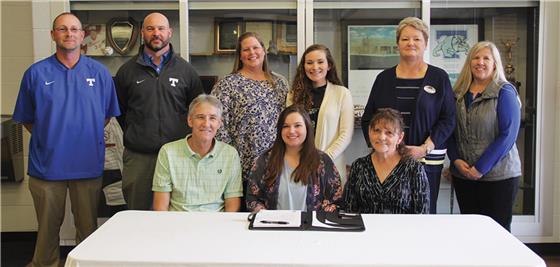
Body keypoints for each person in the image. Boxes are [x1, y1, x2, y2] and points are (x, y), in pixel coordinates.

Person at [12, 12, 120, 267]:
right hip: (47, 166)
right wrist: (51, 138)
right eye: (62, 29)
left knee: (88, 228)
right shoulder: (35, 74)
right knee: (48, 229)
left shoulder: (100, 73)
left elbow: (105, 116)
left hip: (87, 164)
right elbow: (27, 118)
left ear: (82, 35)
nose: (69, 34)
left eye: (74, 29)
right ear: (53, 35)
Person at [361, 17, 456, 214]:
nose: (410, 43)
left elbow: (448, 119)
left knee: (423, 214)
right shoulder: (384, 79)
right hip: (387, 161)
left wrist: (425, 148)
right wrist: (383, 148)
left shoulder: (439, 77)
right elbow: (368, 118)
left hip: (426, 160)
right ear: (397, 44)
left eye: (417, 39)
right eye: (405, 39)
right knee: (387, 213)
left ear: (426, 44)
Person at [114, 12, 204, 210]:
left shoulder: (186, 71)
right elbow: (120, 113)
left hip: (178, 156)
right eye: (150, 28)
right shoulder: (126, 72)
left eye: (161, 28)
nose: (156, 33)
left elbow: (197, 111)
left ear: (169, 33)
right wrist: (140, 133)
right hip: (139, 158)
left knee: (178, 213)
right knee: (138, 215)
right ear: (142, 33)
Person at [447, 41, 522, 231]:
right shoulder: (458, 94)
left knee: (497, 234)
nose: (480, 62)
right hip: (464, 176)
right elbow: (449, 130)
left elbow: (508, 135)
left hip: (499, 178)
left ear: (495, 64)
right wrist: (455, 160)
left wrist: (480, 168)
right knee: (472, 233)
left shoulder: (504, 92)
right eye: (476, 57)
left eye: (486, 58)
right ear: (469, 62)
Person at [211, 32, 289, 185]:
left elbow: (287, 120)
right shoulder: (227, 84)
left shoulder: (279, 83)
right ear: (240, 56)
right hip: (240, 165)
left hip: (275, 162)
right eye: (246, 50)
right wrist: (231, 156)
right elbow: (218, 124)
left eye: (256, 47)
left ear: (264, 51)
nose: (252, 53)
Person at [152, 94, 243, 212]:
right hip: (177, 224)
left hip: (215, 225)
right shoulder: (168, 152)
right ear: (190, 121)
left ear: (219, 123)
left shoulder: (230, 155)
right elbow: (160, 207)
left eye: (213, 118)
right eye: (200, 117)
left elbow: (232, 204)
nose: (206, 124)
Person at [246, 105, 343, 212]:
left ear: (307, 128)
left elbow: (336, 200)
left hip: (311, 227)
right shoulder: (265, 160)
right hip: (274, 226)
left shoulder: (322, 161)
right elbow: (252, 199)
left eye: (297, 125)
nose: (291, 131)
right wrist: (265, 216)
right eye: (285, 126)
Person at [287, 44, 354, 184]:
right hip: (298, 165)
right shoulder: (293, 96)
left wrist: (323, 158)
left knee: (329, 205)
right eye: (309, 63)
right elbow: (289, 131)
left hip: (330, 165)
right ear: (303, 67)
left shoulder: (342, 93)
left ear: (329, 65)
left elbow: (345, 134)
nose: (314, 67)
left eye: (320, 62)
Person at [344, 108, 430, 214]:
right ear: (369, 132)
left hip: (403, 230)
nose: (381, 137)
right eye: (377, 130)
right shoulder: (358, 166)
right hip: (366, 229)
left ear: (400, 137)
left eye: (389, 132)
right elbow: (349, 210)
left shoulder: (414, 169)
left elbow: (422, 215)